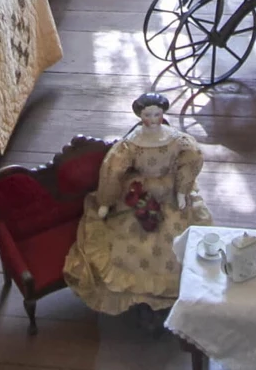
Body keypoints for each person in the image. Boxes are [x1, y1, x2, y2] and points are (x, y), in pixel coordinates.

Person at [63, 92, 213, 315]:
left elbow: (193, 156)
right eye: (147, 115)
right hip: (140, 191)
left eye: (157, 114)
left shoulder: (175, 140)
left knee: (176, 235)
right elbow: (113, 170)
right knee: (130, 237)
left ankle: (178, 288)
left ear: (163, 114)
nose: (153, 120)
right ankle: (140, 295)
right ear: (140, 115)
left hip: (169, 191)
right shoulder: (131, 144)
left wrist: (182, 191)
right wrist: (106, 201)